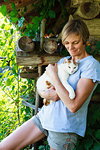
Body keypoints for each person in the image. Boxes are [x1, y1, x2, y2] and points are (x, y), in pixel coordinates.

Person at [0, 19, 100, 150]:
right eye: (67, 43)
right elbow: (43, 88)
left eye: (75, 42)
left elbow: (73, 106)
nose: (70, 47)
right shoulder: (64, 60)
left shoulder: (91, 66)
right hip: (45, 117)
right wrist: (47, 94)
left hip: (64, 128)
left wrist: (54, 77)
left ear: (84, 40)